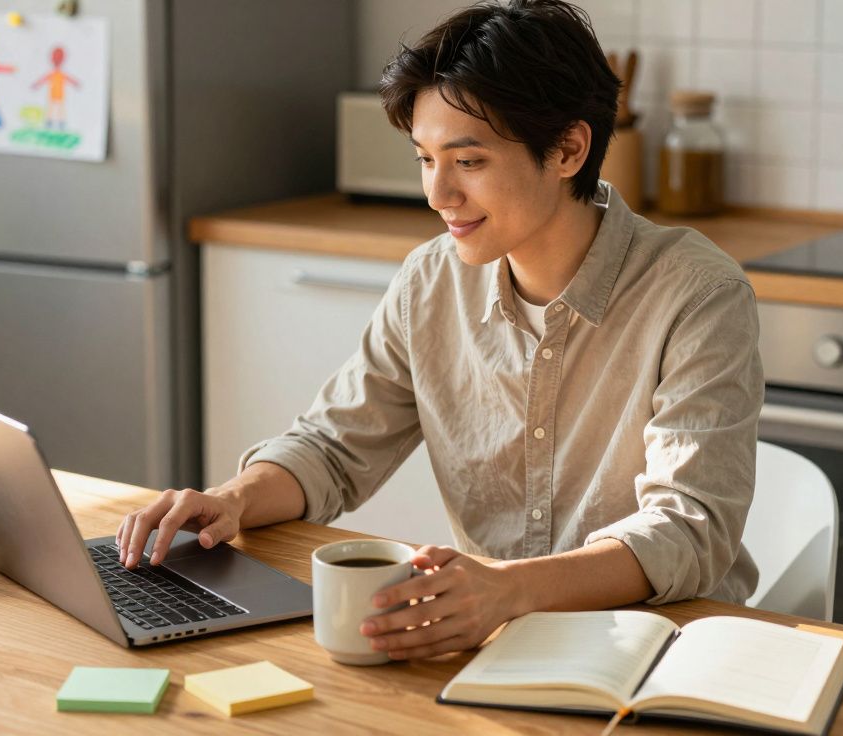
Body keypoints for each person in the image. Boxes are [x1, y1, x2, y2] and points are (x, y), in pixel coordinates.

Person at [116, 0, 762, 660]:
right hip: (493, 643)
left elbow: (690, 528)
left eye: (469, 162)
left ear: (568, 149)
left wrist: (511, 590)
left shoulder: (695, 291)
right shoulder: (431, 280)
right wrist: (230, 500)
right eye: (425, 158)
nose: (438, 194)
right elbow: (335, 448)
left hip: (669, 650)